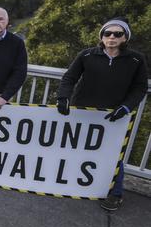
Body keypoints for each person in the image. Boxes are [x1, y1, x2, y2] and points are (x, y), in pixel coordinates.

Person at [57, 18, 147, 211]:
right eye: (108, 33)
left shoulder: (136, 60)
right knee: (76, 148)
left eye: (118, 34)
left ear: (125, 38)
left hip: (114, 116)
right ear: (102, 36)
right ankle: (74, 184)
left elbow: (140, 88)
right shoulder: (87, 55)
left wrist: (126, 107)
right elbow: (69, 78)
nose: (112, 37)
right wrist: (63, 98)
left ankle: (115, 194)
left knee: (114, 155)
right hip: (82, 112)